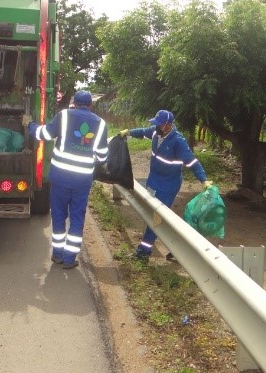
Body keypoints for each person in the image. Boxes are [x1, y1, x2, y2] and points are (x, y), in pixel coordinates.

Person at [26, 90, 108, 270]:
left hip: (60, 178)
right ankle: (70, 259)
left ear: (74, 103)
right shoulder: (101, 124)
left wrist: (30, 125)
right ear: (90, 105)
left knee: (58, 215)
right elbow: (102, 156)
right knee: (77, 218)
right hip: (82, 181)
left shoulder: (63, 116)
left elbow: (44, 135)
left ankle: (57, 254)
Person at [120, 109, 213, 260]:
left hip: (169, 184)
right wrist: (128, 132)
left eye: (159, 124)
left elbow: (191, 161)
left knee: (157, 216)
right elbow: (143, 131)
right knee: (152, 213)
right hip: (153, 180)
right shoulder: (156, 133)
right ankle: (175, 248)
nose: (155, 126)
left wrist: (203, 180)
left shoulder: (178, 141)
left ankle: (144, 251)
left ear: (168, 125)